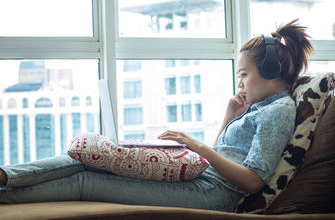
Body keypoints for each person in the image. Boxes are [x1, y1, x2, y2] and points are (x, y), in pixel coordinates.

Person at [0, 19, 313, 212]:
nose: (240, 83)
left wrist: (197, 146)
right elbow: (223, 156)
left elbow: (254, 180)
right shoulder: (259, 109)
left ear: (271, 70)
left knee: (86, 181)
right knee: (90, 158)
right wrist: (229, 116)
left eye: (243, 74)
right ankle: (6, 176)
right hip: (204, 179)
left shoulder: (280, 110)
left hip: (212, 195)